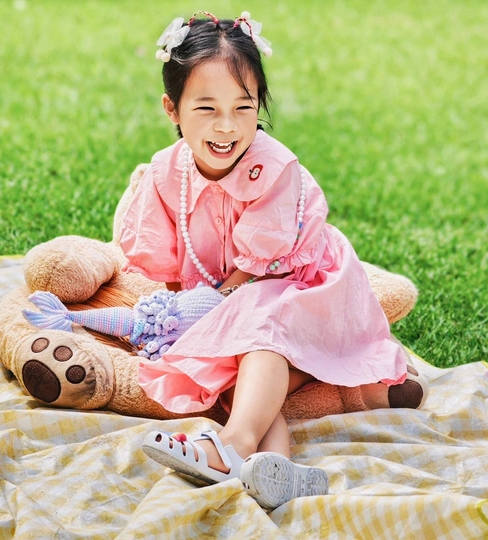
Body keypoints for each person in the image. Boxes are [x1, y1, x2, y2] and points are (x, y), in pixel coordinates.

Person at [118, 11, 423, 510]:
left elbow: (259, 271)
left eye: (244, 107)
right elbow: (169, 262)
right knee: (234, 370)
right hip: (230, 300)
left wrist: (212, 317)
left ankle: (233, 444)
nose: (226, 126)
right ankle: (277, 469)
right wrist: (182, 318)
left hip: (300, 288)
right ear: (172, 108)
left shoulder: (273, 169)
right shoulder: (164, 175)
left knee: (256, 334)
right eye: (206, 108)